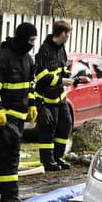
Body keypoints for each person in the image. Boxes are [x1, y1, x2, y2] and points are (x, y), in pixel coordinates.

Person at [0, 22, 39, 202]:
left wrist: (32, 105)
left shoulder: (28, 60)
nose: (32, 44)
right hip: (3, 116)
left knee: (3, 152)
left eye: (34, 40)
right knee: (11, 154)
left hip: (19, 115)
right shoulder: (2, 58)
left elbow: (30, 86)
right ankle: (9, 196)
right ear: (22, 38)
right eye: (30, 40)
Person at [33, 20, 74, 170]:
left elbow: (63, 68)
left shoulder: (61, 49)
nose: (69, 36)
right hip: (45, 98)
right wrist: (62, 81)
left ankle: (58, 157)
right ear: (62, 33)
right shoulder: (45, 50)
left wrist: (71, 77)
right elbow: (42, 76)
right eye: (68, 33)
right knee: (49, 128)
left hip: (60, 96)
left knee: (66, 124)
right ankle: (48, 161)